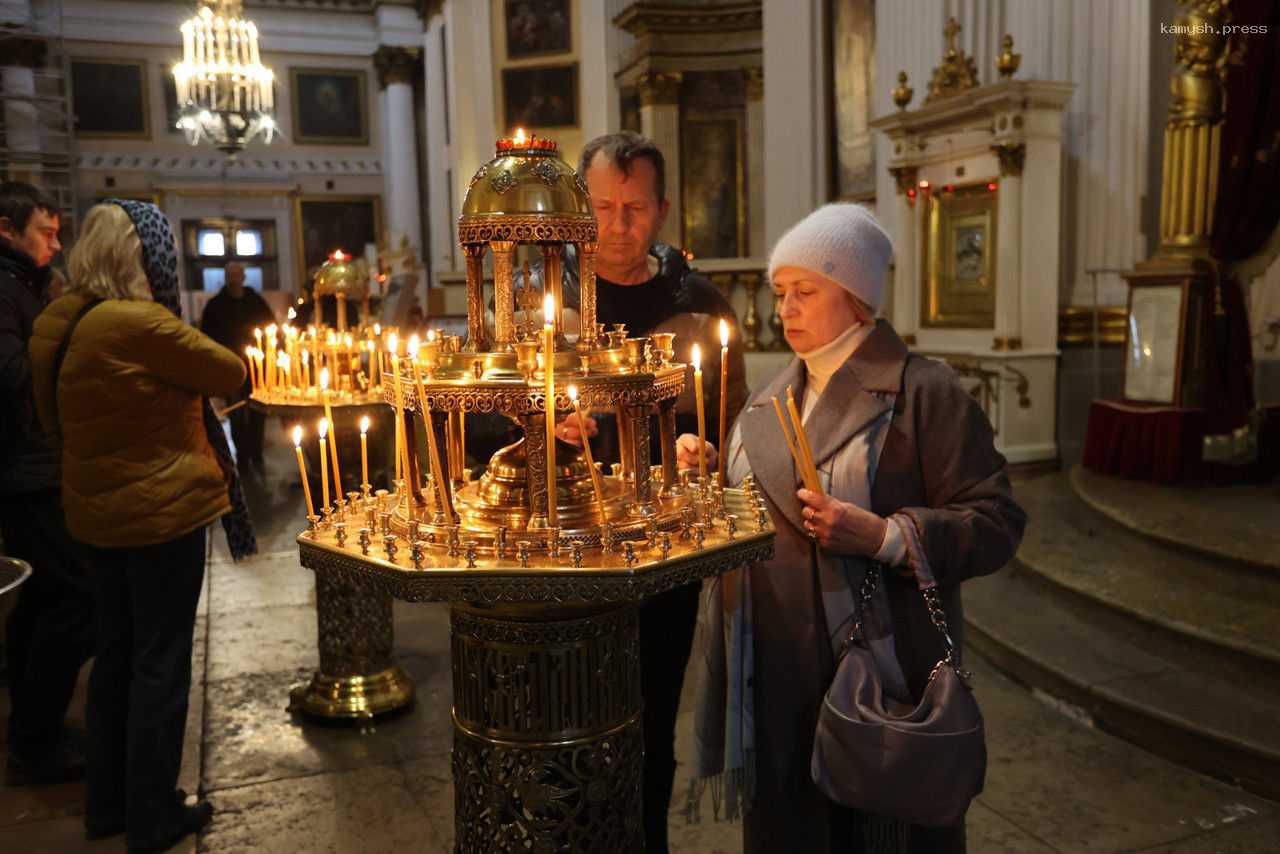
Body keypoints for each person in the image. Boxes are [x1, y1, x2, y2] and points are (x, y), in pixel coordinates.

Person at [686, 204, 1027, 854]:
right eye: (780, 292)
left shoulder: (924, 393)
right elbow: (759, 510)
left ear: (858, 298)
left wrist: (886, 537)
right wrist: (711, 473)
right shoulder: (770, 396)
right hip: (775, 671)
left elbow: (996, 521)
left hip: (877, 676)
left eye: (806, 291)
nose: (785, 309)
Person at [30, 200, 255, 851]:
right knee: (161, 663)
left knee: (115, 656)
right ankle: (154, 814)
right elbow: (229, 371)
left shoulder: (59, 318)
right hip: (162, 515)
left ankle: (108, 805)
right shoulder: (138, 323)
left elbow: (48, 415)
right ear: (141, 257)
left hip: (94, 511)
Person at [553, 131, 747, 853]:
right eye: (602, 206)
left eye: (634, 208)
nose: (617, 224)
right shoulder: (545, 301)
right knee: (568, 712)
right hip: (565, 547)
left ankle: (645, 840)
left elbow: (729, 418)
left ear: (662, 210)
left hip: (661, 551)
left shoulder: (701, 304)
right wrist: (546, 429)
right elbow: (489, 422)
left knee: (652, 710)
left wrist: (705, 448)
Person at [0, 181, 96, 785]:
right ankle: (35, 739)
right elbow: (13, 375)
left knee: (39, 602)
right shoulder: (6, 290)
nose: (56, 244)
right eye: (45, 231)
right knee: (75, 599)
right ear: (6, 230)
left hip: (33, 467)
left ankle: (32, 731)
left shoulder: (23, 287)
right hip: (27, 473)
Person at [199, 261, 276, 475]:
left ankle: (256, 452)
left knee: (258, 410)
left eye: (236, 275)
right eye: (229, 275)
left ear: (243, 277)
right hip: (230, 368)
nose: (233, 279)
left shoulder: (255, 302)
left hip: (256, 369)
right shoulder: (215, 305)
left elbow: (270, 327)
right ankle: (242, 455)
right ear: (225, 278)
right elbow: (207, 336)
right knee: (236, 413)